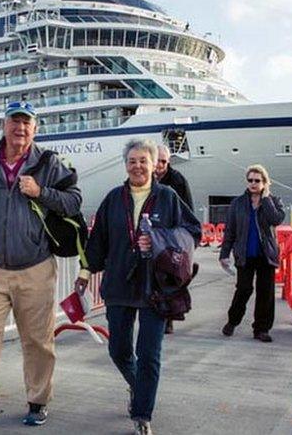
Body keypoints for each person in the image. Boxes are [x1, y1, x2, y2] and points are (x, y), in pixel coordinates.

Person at [0, 101, 82, 432]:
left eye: (26, 123)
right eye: (14, 122)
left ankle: (38, 401)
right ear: (4, 126)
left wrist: (42, 192)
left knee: (37, 340)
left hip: (35, 267)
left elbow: (75, 201)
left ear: (35, 129)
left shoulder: (50, 163)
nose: (20, 128)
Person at [75, 139, 200, 435]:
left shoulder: (168, 197)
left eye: (143, 160)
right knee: (118, 349)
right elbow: (98, 240)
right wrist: (84, 271)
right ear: (126, 164)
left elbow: (192, 231)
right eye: (132, 160)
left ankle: (142, 414)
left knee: (149, 353)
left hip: (155, 287)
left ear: (154, 164)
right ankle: (138, 386)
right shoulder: (113, 199)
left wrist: (158, 239)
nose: (138, 166)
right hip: (119, 282)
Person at [218, 165, 286, 343]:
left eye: (257, 180)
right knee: (244, 289)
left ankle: (261, 329)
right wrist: (224, 253)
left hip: (266, 254)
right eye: (250, 180)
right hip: (245, 253)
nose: (253, 184)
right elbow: (230, 231)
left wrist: (266, 200)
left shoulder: (273, 201)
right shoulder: (238, 204)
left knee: (266, 292)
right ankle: (232, 321)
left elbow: (276, 219)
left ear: (264, 182)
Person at [154, 144, 194, 334]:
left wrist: (186, 240)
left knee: (170, 279)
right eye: (158, 160)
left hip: (171, 239)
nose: (160, 165)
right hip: (152, 238)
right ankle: (157, 314)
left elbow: (188, 211)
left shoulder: (177, 180)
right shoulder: (144, 177)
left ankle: (169, 318)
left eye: (164, 161)